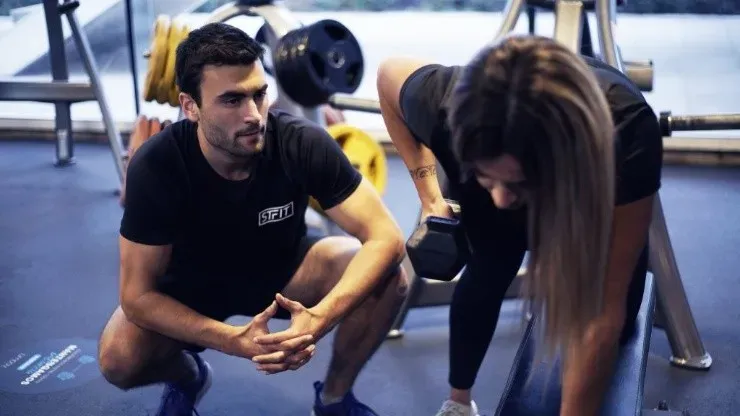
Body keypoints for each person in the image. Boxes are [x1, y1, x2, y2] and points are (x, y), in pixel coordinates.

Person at [98, 22, 408, 416]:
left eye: (258, 95)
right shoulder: (157, 165)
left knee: (386, 277)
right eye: (231, 100)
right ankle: (188, 376)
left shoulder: (301, 141)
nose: (254, 115)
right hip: (191, 290)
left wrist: (317, 320)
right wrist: (231, 340)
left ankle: (333, 398)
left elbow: (387, 237)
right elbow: (137, 296)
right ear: (190, 105)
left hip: (282, 273)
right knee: (118, 358)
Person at [377, 34, 663, 416]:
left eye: (515, 183)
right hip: (519, 170)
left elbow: (601, 315)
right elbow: (387, 75)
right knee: (488, 268)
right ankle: (458, 403)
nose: (501, 199)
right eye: (487, 177)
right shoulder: (444, 102)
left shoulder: (626, 131)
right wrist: (429, 196)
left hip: (586, 187)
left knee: (620, 319)